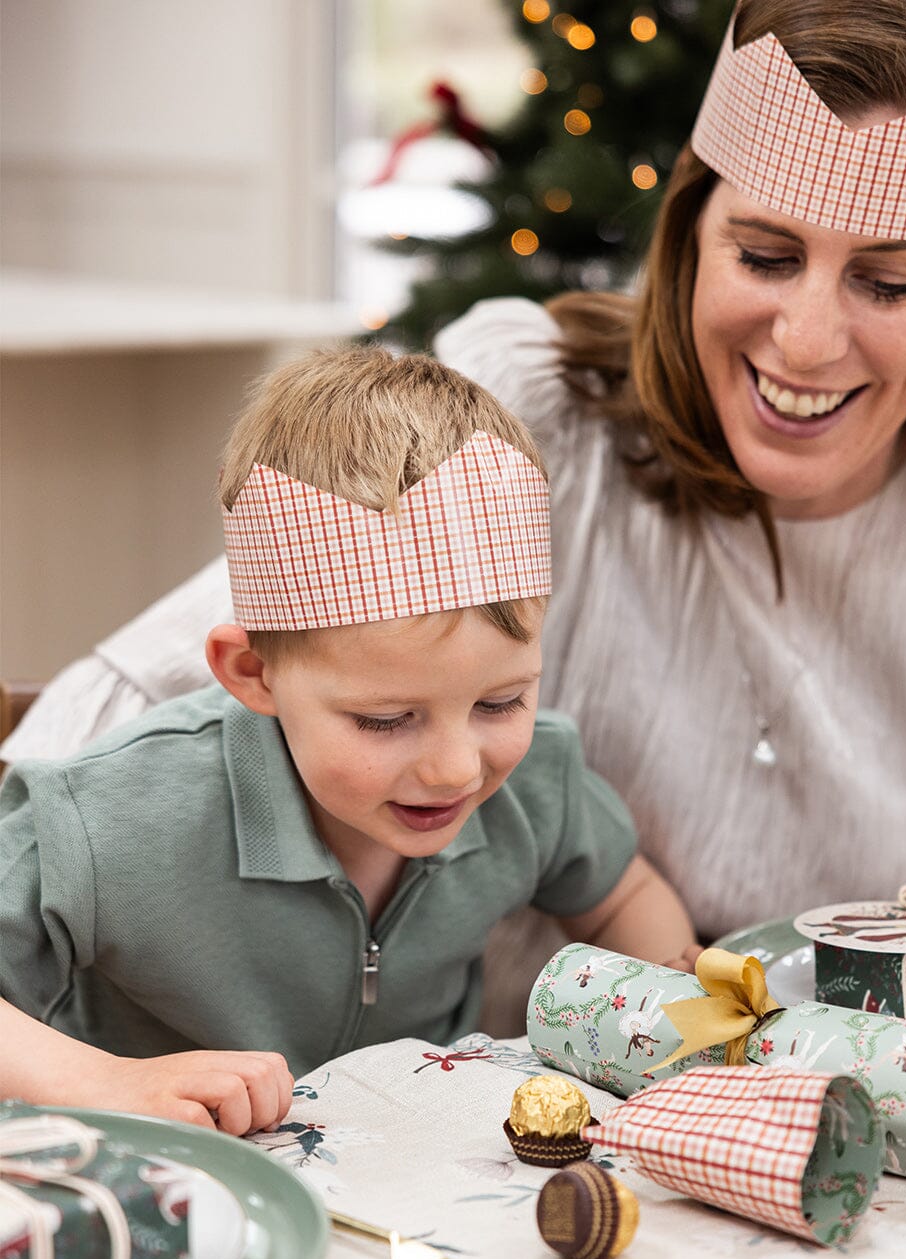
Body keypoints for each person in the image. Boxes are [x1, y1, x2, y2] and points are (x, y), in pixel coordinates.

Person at [4, 0, 906, 1018]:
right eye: (765, 255)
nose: (803, 341)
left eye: (884, 280)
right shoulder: (531, 419)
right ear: (693, 233)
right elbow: (151, 680)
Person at [0, 347, 698, 1133]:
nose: (455, 768)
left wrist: (670, 1031)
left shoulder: (540, 779)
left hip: (425, 1177)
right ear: (253, 671)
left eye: (501, 701)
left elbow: (623, 898)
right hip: (180, 1186)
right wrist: (100, 1081)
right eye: (384, 720)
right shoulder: (106, 817)